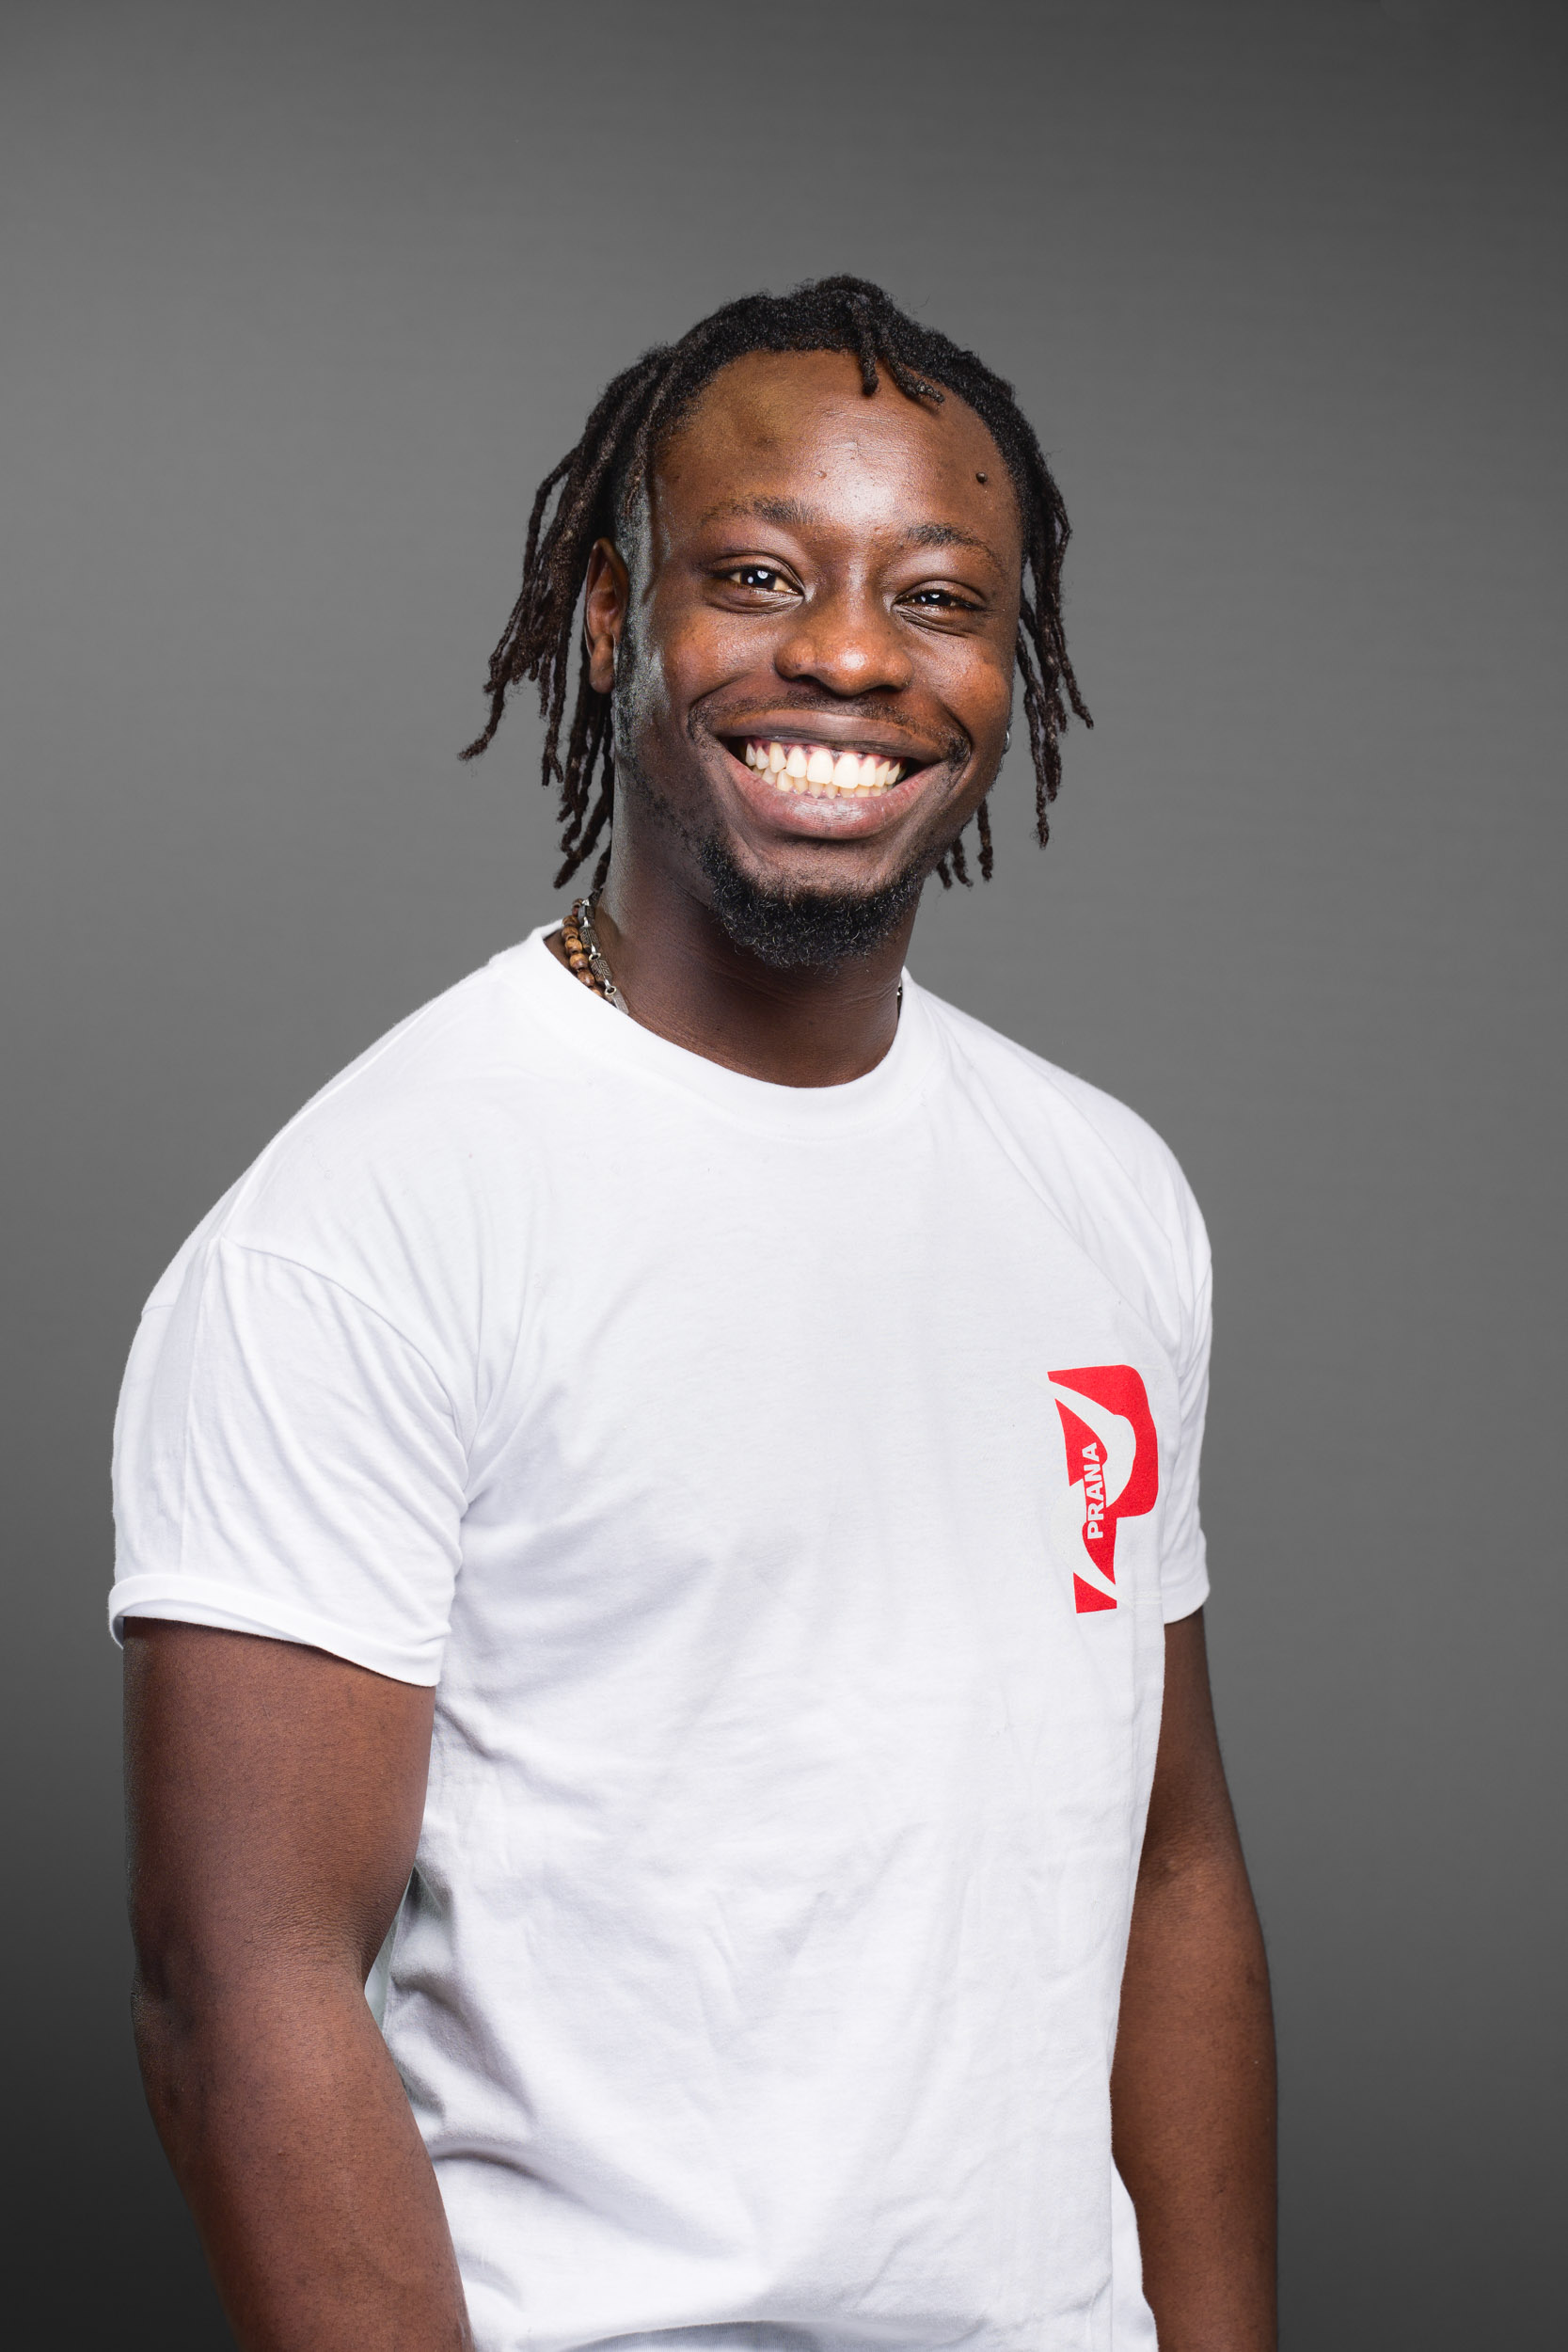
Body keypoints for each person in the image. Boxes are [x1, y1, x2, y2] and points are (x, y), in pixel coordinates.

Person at [114, 278, 1275, 2352]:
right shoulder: (369, 1225)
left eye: (937, 595)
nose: (847, 652)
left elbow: (1170, 1869)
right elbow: (240, 1992)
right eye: (755, 574)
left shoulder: (1108, 1194)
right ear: (604, 611)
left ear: (1010, 663)